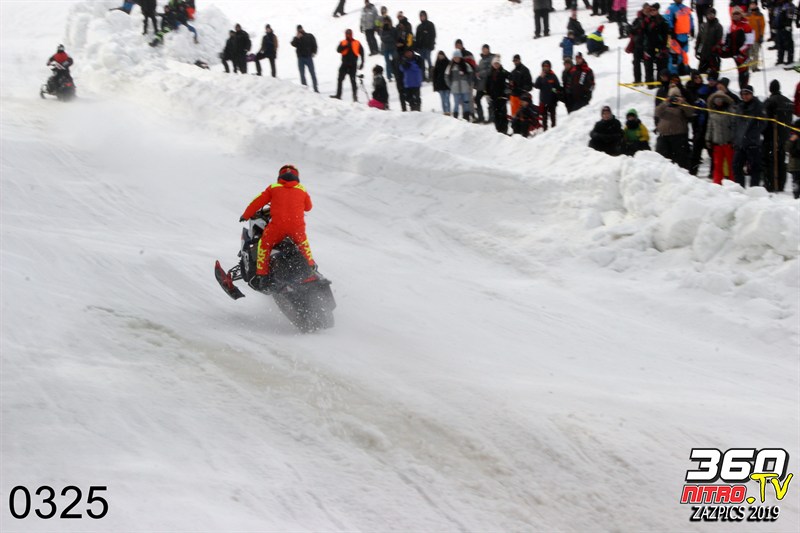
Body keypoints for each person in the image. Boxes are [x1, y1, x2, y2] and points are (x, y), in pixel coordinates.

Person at [239, 165, 315, 290]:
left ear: (280, 176)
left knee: (264, 245)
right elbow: (308, 207)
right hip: (297, 228)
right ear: (297, 177)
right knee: (303, 244)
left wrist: (245, 215)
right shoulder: (302, 189)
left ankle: (261, 275)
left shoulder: (273, 188)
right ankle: (311, 266)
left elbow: (257, 202)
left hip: (278, 227)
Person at [763, 79, 794, 192]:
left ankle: (770, 185)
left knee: (769, 161)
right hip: (785, 137)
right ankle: (781, 184)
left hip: (771, 136)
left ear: (770, 89)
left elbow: (765, 120)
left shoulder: (770, 101)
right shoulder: (788, 102)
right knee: (781, 161)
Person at [732, 85, 766, 187]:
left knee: (755, 168)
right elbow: (735, 123)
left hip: (752, 143)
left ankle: (754, 189)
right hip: (740, 143)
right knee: (736, 166)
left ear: (751, 94)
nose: (745, 96)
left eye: (747, 94)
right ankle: (740, 188)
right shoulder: (740, 106)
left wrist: (751, 135)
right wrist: (735, 136)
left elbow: (763, 123)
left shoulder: (758, 106)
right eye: (743, 94)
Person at [654, 87, 694, 168]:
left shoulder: (682, 106)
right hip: (663, 136)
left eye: (676, 96)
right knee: (662, 159)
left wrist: (682, 103)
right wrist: (665, 102)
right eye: (672, 96)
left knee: (680, 161)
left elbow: (690, 112)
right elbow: (657, 112)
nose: (674, 99)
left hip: (678, 137)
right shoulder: (664, 106)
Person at [705, 91, 736, 184]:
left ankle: (733, 183)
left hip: (728, 142)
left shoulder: (730, 112)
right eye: (716, 100)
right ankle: (717, 183)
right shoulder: (712, 113)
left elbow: (734, 126)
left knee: (731, 164)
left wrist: (734, 139)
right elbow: (710, 127)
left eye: (720, 100)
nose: (718, 102)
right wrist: (708, 139)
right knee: (718, 164)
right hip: (717, 143)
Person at [332, 29, 365, 101]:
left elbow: (362, 52)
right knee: (340, 79)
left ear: (352, 34)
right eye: (347, 34)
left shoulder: (357, 42)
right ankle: (338, 95)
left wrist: (362, 62)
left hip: (353, 65)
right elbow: (338, 50)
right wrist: (346, 46)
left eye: (349, 34)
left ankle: (355, 97)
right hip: (344, 64)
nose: (348, 35)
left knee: (353, 81)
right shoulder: (343, 42)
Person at [728, 7, 754, 90]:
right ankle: (742, 90)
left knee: (744, 72)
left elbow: (749, 41)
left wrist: (741, 51)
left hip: (744, 53)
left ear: (741, 14)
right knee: (740, 72)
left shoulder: (746, 25)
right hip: (735, 53)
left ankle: (745, 89)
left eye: (737, 14)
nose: (736, 16)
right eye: (734, 14)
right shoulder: (732, 25)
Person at [446, 49, 475, 120]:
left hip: (465, 88)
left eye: (457, 57)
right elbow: (446, 76)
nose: (456, 59)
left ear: (460, 57)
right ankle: (455, 117)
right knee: (456, 103)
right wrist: (450, 85)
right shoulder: (450, 66)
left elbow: (471, 75)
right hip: (455, 89)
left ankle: (466, 116)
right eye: (455, 57)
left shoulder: (466, 65)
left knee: (466, 102)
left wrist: (469, 83)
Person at [533, 60, 562, 130]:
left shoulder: (553, 76)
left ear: (549, 67)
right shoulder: (541, 76)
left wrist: (554, 91)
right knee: (544, 119)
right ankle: (545, 131)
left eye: (547, 66)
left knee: (553, 118)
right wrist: (540, 77)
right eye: (544, 66)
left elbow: (558, 88)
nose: (545, 68)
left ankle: (554, 131)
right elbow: (536, 86)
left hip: (552, 101)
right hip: (543, 101)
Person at [486, 56, 511, 134]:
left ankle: (504, 130)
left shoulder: (503, 71)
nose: (496, 65)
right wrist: (487, 94)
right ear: (492, 64)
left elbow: (511, 77)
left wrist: (508, 87)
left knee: (503, 114)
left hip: (502, 96)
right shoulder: (490, 73)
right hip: (494, 97)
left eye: (498, 63)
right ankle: (498, 130)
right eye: (495, 63)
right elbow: (487, 85)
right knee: (496, 114)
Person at [695, 7, 723, 74]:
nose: (710, 16)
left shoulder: (718, 26)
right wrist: (697, 50)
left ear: (714, 15)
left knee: (713, 75)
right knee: (700, 74)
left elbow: (719, 40)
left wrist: (715, 50)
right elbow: (699, 39)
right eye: (708, 14)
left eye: (712, 14)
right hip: (704, 54)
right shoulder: (703, 26)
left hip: (713, 55)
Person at [292, 25, 319, 93]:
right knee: (302, 74)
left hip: (308, 57)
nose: (300, 30)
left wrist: (314, 52)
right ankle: (305, 90)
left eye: (300, 29)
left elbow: (314, 44)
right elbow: (293, 44)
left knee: (312, 73)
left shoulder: (309, 35)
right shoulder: (296, 38)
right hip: (300, 58)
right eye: (298, 29)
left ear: (302, 28)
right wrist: (297, 38)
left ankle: (315, 88)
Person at [474, 45, 496, 123]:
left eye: (485, 49)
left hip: (488, 84)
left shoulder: (492, 58)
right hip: (480, 85)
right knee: (477, 99)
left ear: (488, 50)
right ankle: (480, 117)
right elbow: (478, 70)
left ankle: (491, 118)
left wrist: (480, 73)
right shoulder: (481, 60)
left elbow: (490, 70)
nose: (484, 51)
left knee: (489, 101)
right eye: (483, 49)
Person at [415, 11, 436, 79]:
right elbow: (417, 37)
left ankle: (431, 75)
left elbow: (433, 35)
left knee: (429, 60)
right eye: (421, 16)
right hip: (421, 47)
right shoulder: (419, 26)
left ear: (426, 16)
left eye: (423, 16)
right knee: (422, 61)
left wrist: (431, 44)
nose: (422, 17)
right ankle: (423, 76)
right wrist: (417, 46)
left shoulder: (430, 24)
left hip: (428, 47)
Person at [774, 0, 795, 65]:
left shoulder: (788, 5)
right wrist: (774, 26)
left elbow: (790, 16)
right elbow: (775, 17)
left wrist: (788, 25)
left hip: (785, 28)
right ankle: (780, 59)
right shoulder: (777, 6)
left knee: (788, 44)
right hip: (778, 28)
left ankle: (790, 59)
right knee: (780, 44)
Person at [747, 3, 765, 71]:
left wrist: (761, 35)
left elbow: (763, 26)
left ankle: (754, 67)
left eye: (754, 9)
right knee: (749, 53)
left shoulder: (760, 15)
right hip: (749, 38)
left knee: (756, 53)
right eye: (752, 9)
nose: (753, 11)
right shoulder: (747, 15)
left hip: (757, 37)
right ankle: (750, 66)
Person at [786, 120, 800, 198]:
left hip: (795, 165)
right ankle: (796, 196)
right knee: (796, 181)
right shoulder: (793, 137)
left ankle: (796, 195)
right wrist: (791, 140)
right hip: (795, 165)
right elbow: (787, 148)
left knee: (796, 181)